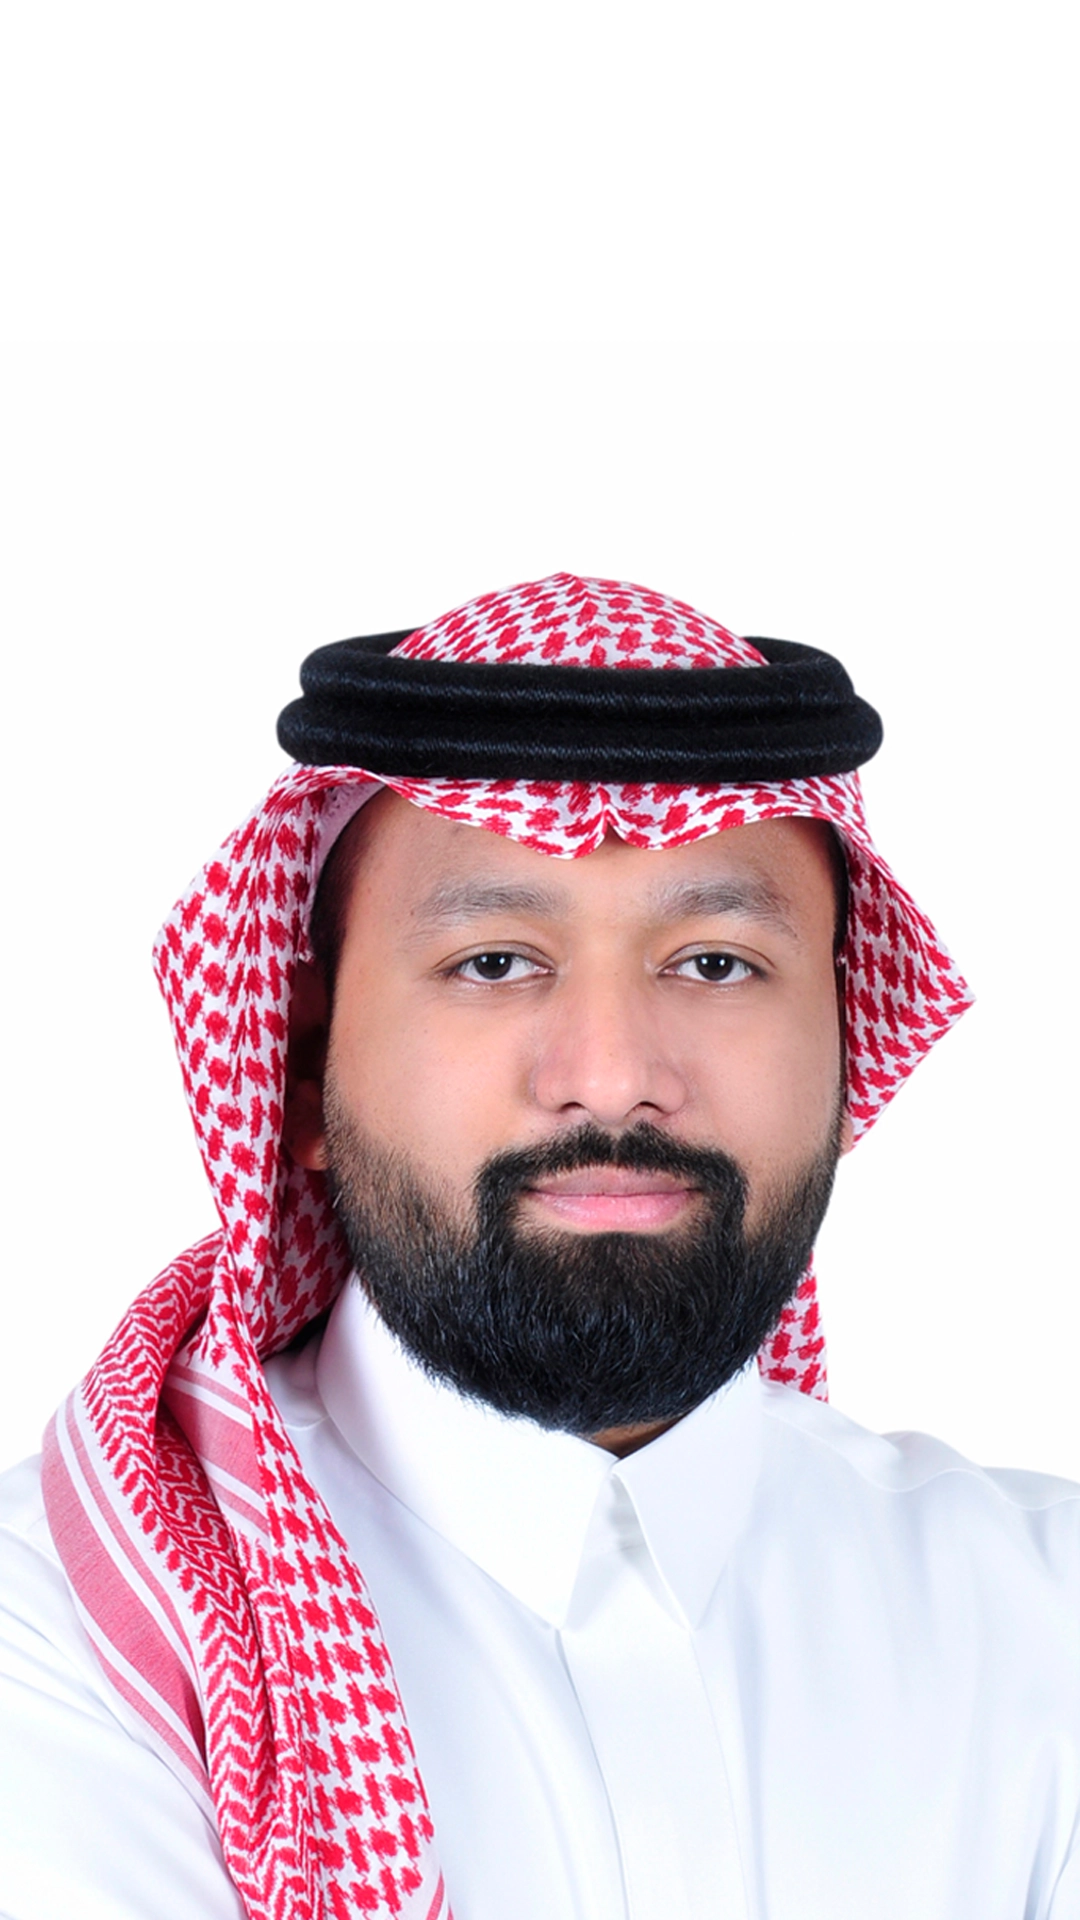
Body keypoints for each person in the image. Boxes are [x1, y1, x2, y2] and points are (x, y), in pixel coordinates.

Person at [1, 572, 1077, 1920]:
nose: (614, 1079)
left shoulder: (1043, 1615)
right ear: (304, 1067)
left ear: (848, 1053)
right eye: (495, 962)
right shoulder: (67, 1633)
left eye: (717, 963)